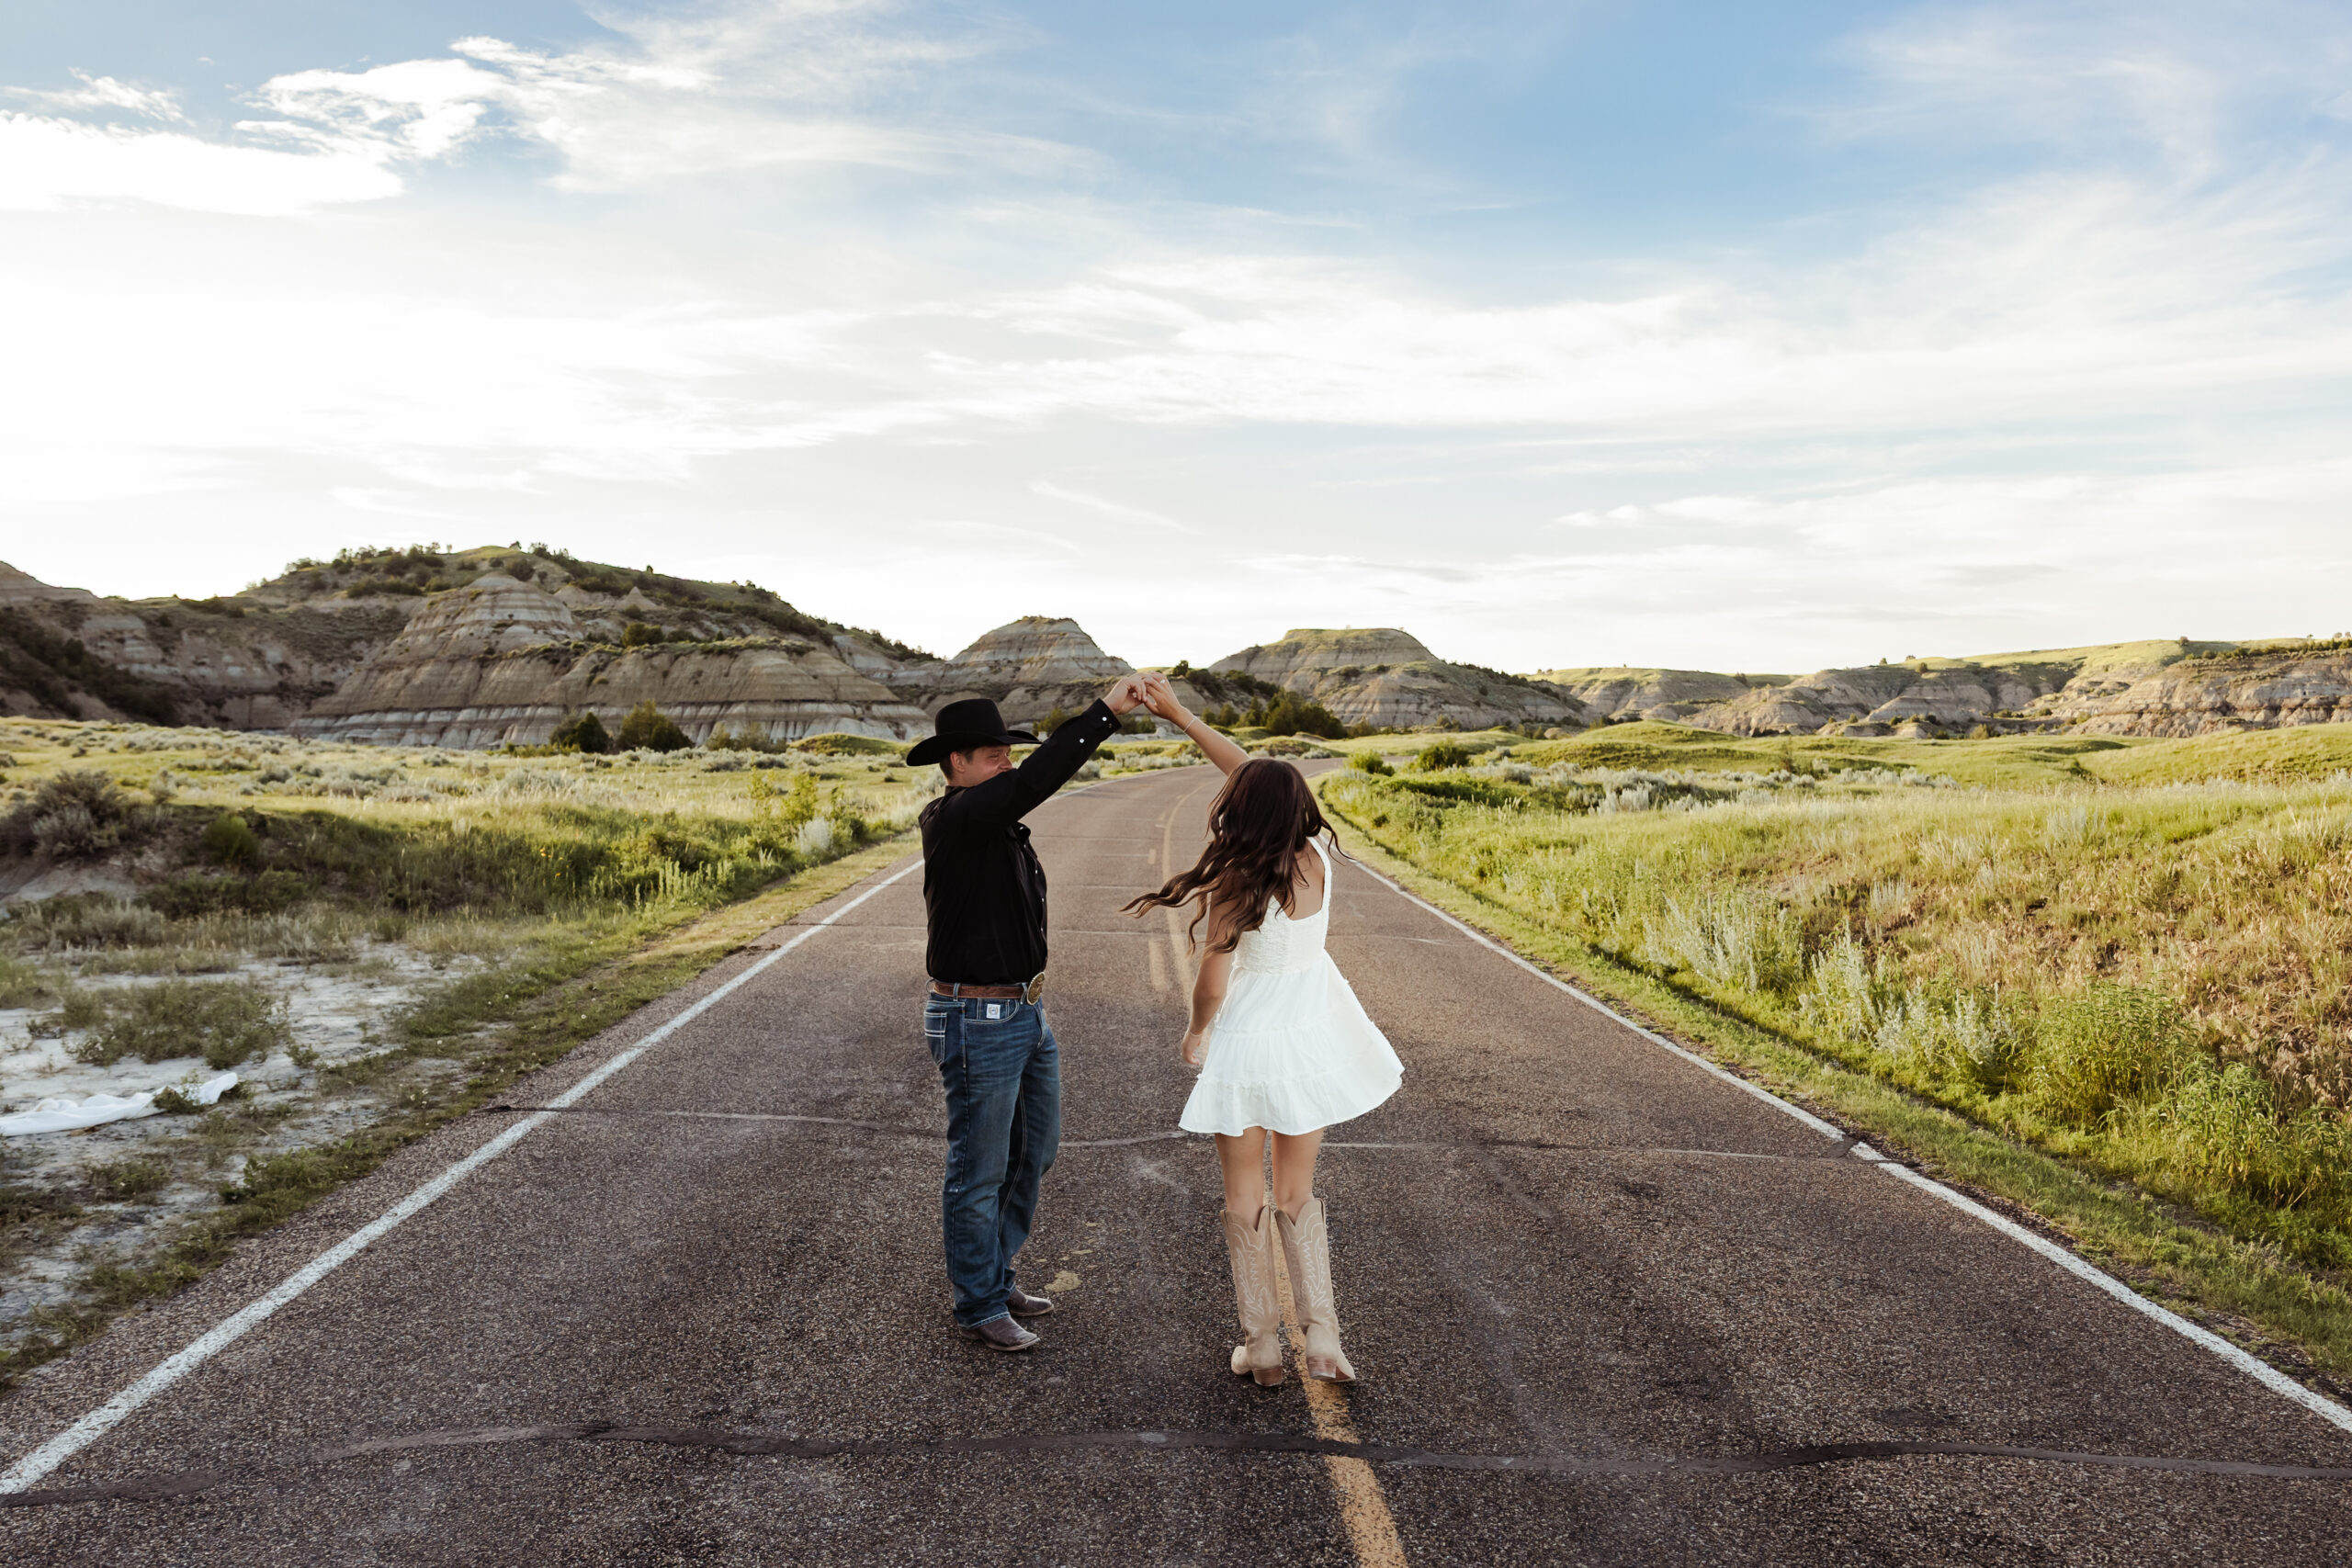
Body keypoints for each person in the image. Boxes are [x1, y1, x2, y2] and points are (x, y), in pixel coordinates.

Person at [1125, 672, 1402, 1383]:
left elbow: (1213, 982)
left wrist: (1195, 1031)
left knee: (1244, 1194)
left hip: (1250, 1041)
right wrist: (1183, 716)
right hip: (1310, 1037)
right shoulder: (1318, 861)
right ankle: (1324, 1337)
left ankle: (1263, 1344)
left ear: (1240, 811)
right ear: (1300, 808)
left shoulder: (1237, 881)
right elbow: (1250, 770)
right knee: (1296, 1194)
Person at [910, 680, 1148, 1352]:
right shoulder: (954, 818)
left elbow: (1020, 790)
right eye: (993, 754)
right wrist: (1105, 714)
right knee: (977, 1167)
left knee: (1033, 1151)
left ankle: (995, 1272)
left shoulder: (996, 825)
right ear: (955, 763)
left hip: (1024, 1011)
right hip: (974, 1018)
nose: (1008, 762)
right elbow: (1034, 781)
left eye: (1007, 751)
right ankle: (979, 1302)